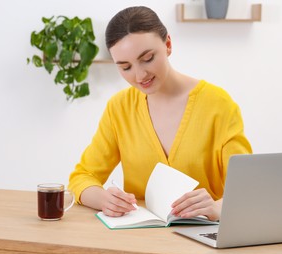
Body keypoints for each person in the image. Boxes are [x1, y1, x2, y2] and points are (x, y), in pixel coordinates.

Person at [68, 6, 252, 221]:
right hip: (141, 237)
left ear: (168, 45)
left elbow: (246, 186)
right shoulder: (119, 108)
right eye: (125, 67)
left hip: (203, 238)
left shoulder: (218, 105)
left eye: (147, 58)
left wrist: (217, 208)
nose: (140, 75)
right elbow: (82, 177)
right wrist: (104, 199)